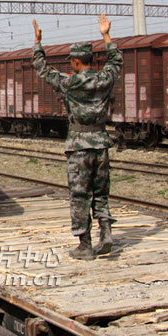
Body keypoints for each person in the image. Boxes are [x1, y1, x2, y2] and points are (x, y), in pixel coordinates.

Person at [32, 15, 123, 260]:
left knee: (80, 195)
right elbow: (116, 60)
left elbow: (42, 69)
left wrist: (38, 43)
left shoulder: (69, 83)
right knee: (101, 193)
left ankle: (85, 245)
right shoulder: (104, 79)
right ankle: (106, 233)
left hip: (79, 146)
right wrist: (106, 35)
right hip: (101, 143)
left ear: (75, 61)